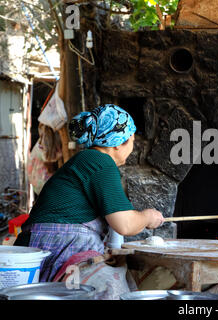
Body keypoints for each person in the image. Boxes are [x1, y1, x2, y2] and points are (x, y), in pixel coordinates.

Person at [15, 104, 164, 281]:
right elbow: (125, 224)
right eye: (132, 140)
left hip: (37, 246)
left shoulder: (87, 160)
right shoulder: (100, 162)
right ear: (118, 143)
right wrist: (148, 217)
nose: (133, 147)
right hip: (57, 245)